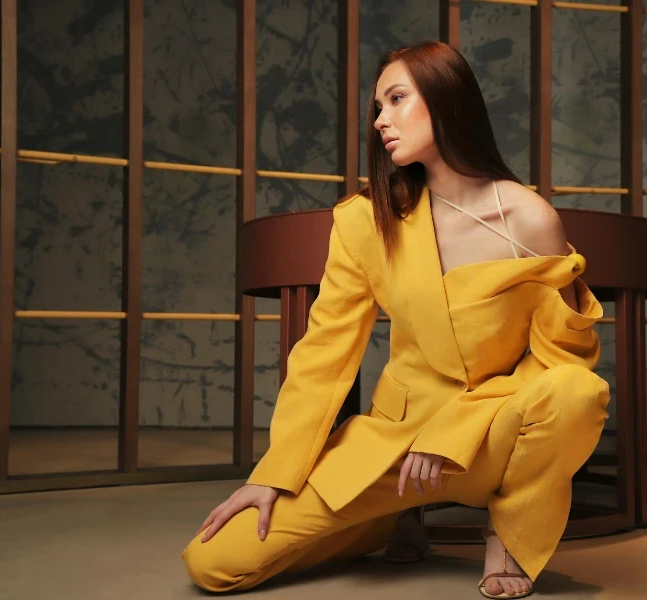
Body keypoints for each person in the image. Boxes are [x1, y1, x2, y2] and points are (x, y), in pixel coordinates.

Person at [181, 40, 610, 600]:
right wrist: (274, 471)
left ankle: (507, 537)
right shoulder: (367, 220)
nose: (381, 119)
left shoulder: (529, 221)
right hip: (396, 446)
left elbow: (559, 362)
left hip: (488, 437)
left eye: (396, 99)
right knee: (214, 563)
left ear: (446, 99)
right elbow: (324, 354)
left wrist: (452, 431)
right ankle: (387, 517)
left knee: (578, 392)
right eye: (377, 106)